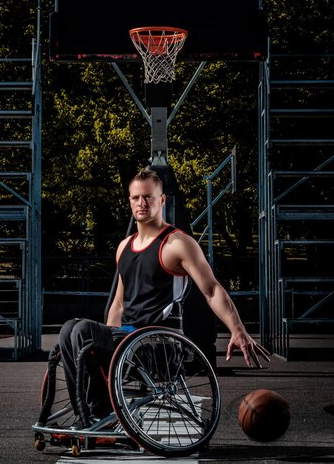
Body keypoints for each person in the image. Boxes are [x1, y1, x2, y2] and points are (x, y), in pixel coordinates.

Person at [56, 168, 270, 427]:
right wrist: (107, 345)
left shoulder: (176, 244)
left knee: (81, 331)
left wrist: (237, 329)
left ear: (162, 200)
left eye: (148, 197)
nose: (142, 203)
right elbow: (120, 304)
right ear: (129, 201)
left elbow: (212, 289)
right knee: (70, 329)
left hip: (157, 346)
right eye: (135, 198)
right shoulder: (124, 246)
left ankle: (100, 416)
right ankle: (88, 415)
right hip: (127, 342)